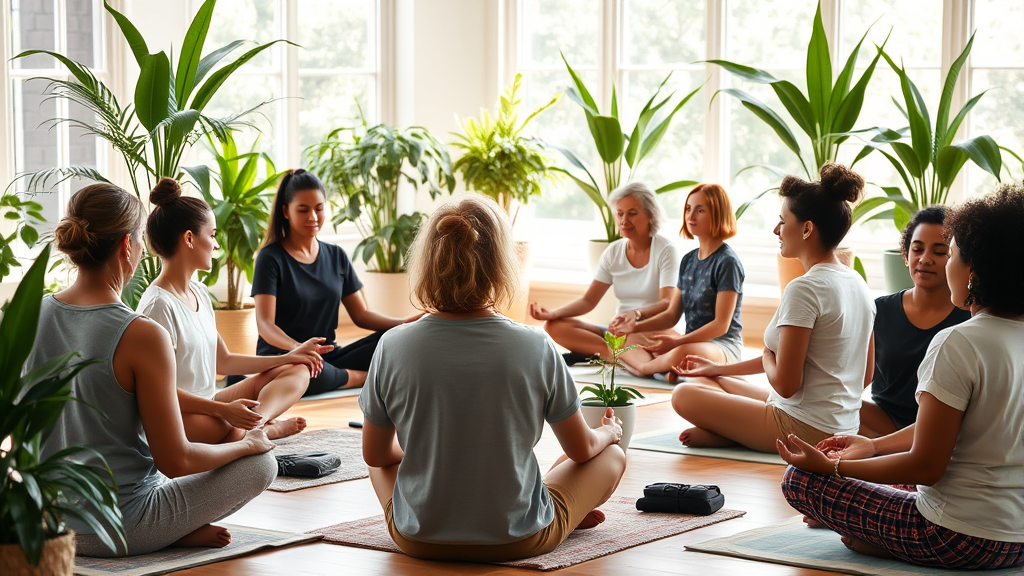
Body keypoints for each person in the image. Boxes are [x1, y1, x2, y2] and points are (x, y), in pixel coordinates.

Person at [360, 195, 627, 562]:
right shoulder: (536, 346)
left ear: (427, 262)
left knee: (379, 458)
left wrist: (429, 451)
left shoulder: (392, 345)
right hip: (519, 540)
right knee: (611, 455)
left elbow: (375, 455)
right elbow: (581, 450)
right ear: (501, 264)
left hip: (416, 539)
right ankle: (565, 512)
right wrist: (609, 433)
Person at [777, 184, 1024, 570]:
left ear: (974, 272)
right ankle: (876, 537)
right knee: (896, 482)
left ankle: (884, 542)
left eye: (949, 254)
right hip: (1017, 540)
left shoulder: (958, 341)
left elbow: (926, 467)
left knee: (799, 479)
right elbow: (947, 428)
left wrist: (834, 468)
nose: (942, 264)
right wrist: (873, 447)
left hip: (954, 537)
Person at [30, 183, 276, 557]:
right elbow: (176, 461)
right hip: (121, 527)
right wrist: (247, 445)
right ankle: (168, 531)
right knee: (262, 464)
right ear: (126, 247)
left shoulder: (32, 314)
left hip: (45, 520)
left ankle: (173, 530)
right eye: (140, 243)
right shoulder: (142, 333)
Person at [669, 164, 874, 452]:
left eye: (782, 221)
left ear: (807, 229)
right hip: (843, 428)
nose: (776, 230)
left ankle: (735, 434)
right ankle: (734, 432)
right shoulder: (859, 284)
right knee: (719, 379)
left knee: (682, 394)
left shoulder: (805, 288)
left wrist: (767, 355)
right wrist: (717, 368)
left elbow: (786, 385)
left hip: (800, 428)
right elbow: (865, 377)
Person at [138, 178, 333, 443]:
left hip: (211, 402)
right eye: (212, 235)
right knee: (229, 427)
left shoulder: (199, 293)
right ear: (189, 239)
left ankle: (256, 426)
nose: (216, 245)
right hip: (180, 416)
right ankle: (259, 431)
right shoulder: (158, 306)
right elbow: (160, 393)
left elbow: (225, 361)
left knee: (297, 370)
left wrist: (289, 356)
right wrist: (223, 411)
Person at [250, 169, 418, 395]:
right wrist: (297, 349)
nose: (313, 217)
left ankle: (340, 375)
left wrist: (403, 323)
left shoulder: (336, 255)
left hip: (327, 357)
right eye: (303, 210)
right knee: (303, 372)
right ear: (285, 211)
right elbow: (265, 324)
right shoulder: (270, 258)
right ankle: (362, 378)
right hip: (286, 358)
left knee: (393, 341)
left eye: (319, 208)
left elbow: (361, 315)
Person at [529, 182, 679, 368]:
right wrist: (552, 313)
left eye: (632, 213)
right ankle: (617, 355)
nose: (624, 220)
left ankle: (618, 355)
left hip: (650, 331)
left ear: (650, 215)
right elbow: (588, 301)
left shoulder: (665, 250)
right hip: (619, 333)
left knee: (631, 339)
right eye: (620, 213)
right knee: (554, 326)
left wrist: (636, 314)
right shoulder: (613, 252)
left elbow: (667, 302)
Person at [860, 206, 970, 437]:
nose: (925, 259)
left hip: (941, 432)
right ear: (905, 254)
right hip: (881, 424)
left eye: (939, 252)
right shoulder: (879, 309)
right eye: (917, 249)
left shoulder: (970, 318)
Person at [627, 184, 745, 377]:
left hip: (721, 346)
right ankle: (666, 369)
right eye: (688, 209)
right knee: (630, 337)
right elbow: (671, 315)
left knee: (682, 352)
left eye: (700, 210)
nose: (690, 216)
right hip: (689, 341)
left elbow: (721, 325)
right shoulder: (688, 260)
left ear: (717, 214)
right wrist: (635, 326)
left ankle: (645, 369)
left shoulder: (727, 262)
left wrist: (677, 342)